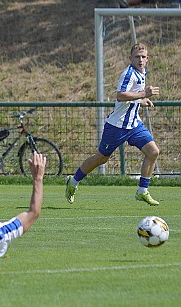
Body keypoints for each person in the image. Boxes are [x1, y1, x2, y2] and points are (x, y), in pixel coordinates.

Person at [66, 43, 160, 206]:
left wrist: (141, 100)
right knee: (101, 158)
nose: (140, 59)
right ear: (130, 58)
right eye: (137, 56)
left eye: (143, 57)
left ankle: (142, 191)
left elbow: (132, 95)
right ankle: (73, 182)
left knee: (153, 152)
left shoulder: (142, 73)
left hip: (134, 124)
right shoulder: (128, 74)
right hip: (117, 126)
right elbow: (120, 96)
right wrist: (144, 93)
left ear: (147, 59)